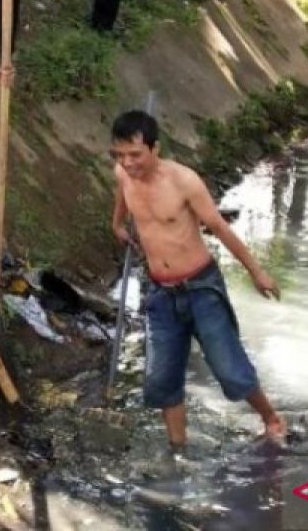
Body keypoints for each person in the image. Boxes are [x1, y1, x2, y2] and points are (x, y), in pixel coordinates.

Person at [109, 110, 286, 450]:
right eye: (120, 155)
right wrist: (117, 225)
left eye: (135, 154)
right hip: (160, 291)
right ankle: (178, 450)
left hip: (200, 287)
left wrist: (257, 272)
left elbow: (219, 228)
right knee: (162, 379)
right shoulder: (123, 174)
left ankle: (271, 418)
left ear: (154, 149)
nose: (128, 163)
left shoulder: (184, 181)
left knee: (229, 369)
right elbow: (121, 202)